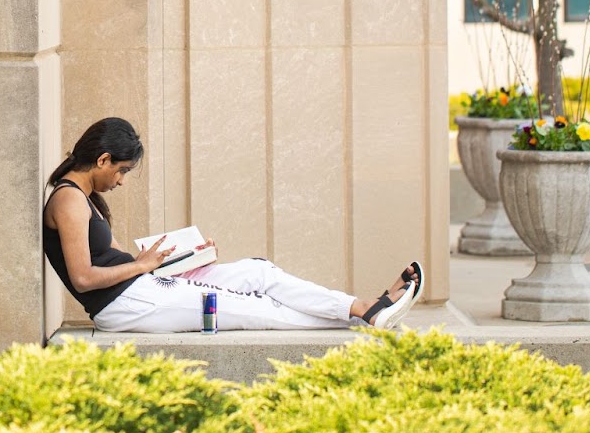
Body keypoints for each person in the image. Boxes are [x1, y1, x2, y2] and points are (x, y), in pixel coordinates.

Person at [43, 117, 423, 332]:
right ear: (104, 159)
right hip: (124, 305)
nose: (121, 181)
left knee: (259, 273)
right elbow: (83, 278)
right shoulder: (68, 200)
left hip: (140, 287)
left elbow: (103, 264)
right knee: (254, 307)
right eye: (122, 171)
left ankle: (362, 307)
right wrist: (141, 266)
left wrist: (184, 259)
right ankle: (362, 315)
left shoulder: (83, 197)